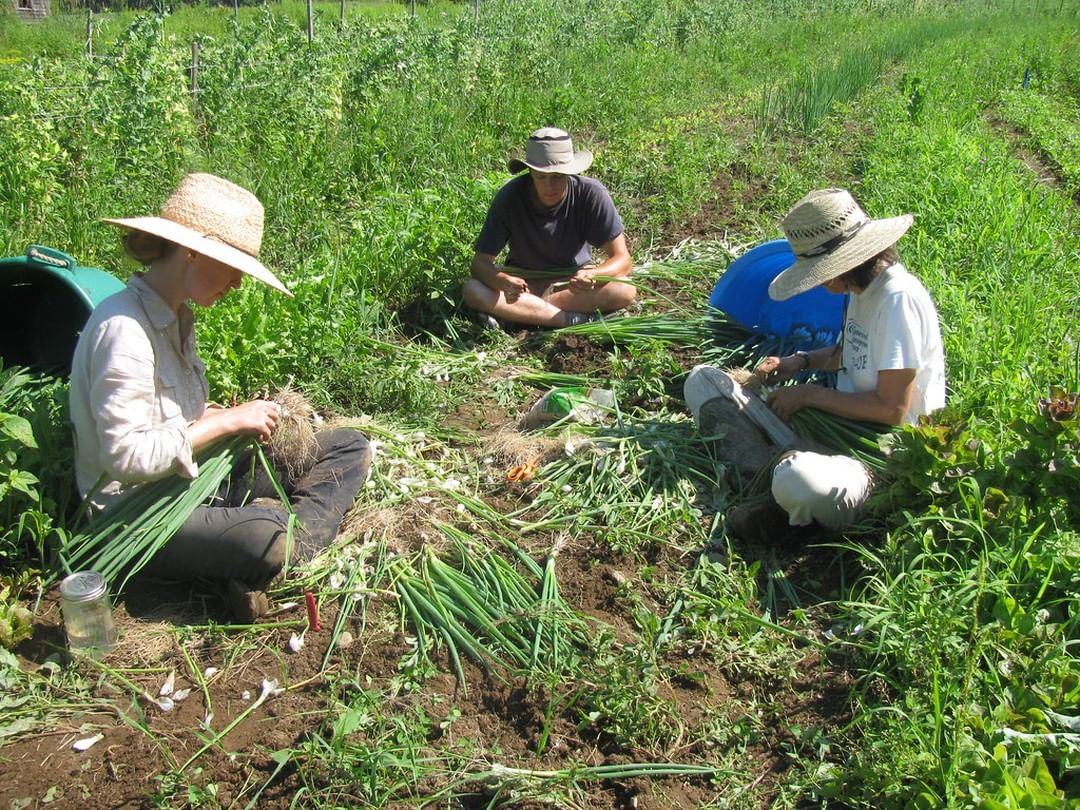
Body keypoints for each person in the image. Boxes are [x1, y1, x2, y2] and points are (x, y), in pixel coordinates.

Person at [69, 173, 372, 620]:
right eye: (232, 267)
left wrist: (227, 416)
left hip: (196, 480)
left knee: (350, 446)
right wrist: (227, 423)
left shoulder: (176, 317)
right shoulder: (124, 331)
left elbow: (178, 418)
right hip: (139, 512)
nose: (237, 284)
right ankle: (264, 549)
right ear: (192, 252)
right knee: (266, 536)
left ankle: (255, 554)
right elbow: (126, 457)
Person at [685, 188, 945, 541]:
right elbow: (846, 352)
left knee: (802, 482)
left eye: (819, 272)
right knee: (703, 381)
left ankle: (784, 490)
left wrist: (808, 396)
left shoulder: (897, 299)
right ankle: (764, 476)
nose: (819, 282)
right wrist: (797, 362)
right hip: (826, 432)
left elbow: (894, 409)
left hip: (874, 454)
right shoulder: (861, 291)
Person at [463, 127, 636, 329]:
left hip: (572, 285)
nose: (549, 186)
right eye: (541, 177)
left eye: (557, 176)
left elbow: (623, 260)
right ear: (530, 172)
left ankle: (521, 316)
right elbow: (480, 264)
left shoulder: (590, 194)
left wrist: (594, 275)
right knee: (473, 289)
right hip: (526, 285)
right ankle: (573, 321)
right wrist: (503, 282)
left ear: (570, 172)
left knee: (624, 289)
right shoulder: (510, 197)